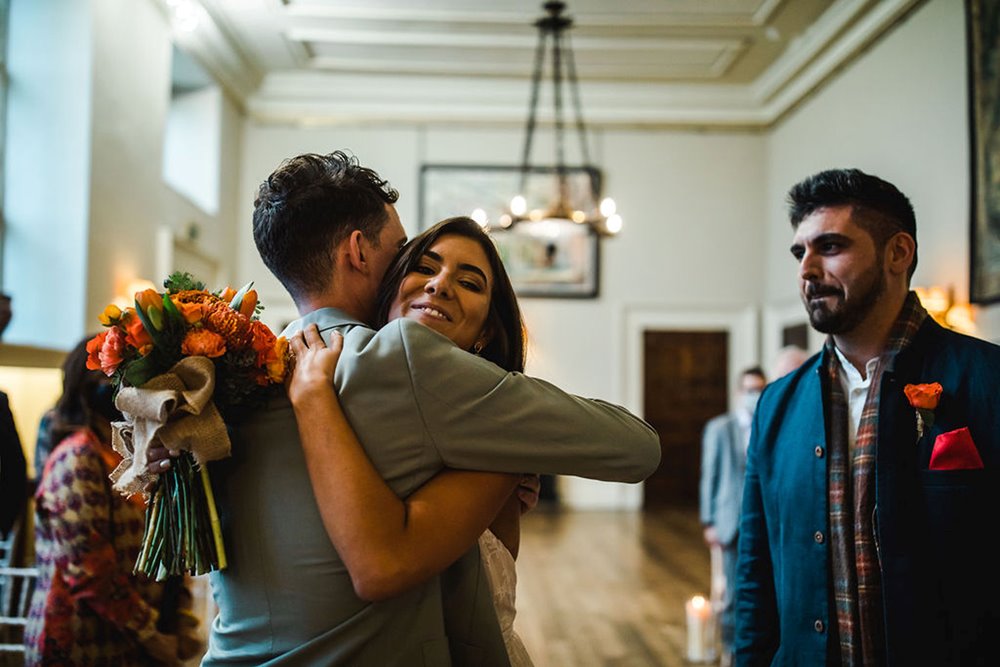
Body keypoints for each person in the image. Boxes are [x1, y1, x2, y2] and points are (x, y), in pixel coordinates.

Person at [163, 151, 660, 666]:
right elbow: (638, 448)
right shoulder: (402, 357)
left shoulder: (227, 378)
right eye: (405, 252)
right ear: (359, 250)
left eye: (469, 281)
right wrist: (512, 444)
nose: (434, 282)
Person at [733, 168, 1000, 666]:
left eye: (830, 247)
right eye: (800, 252)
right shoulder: (777, 404)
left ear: (898, 253)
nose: (806, 271)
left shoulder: (989, 380)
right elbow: (756, 576)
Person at [288, 216, 546, 665]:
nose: (440, 285)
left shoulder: (496, 438)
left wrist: (313, 398)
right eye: (425, 268)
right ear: (391, 291)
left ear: (486, 330)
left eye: (469, 281)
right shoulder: (323, 371)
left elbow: (383, 567)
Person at [23, 338, 201, 665]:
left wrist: (178, 615)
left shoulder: (127, 453)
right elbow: (89, 568)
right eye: (112, 380)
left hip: (127, 643)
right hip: (83, 643)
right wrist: (149, 633)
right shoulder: (78, 457)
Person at [699, 365, 766, 666]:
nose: (755, 395)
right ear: (739, 392)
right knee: (729, 591)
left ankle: (755, 646)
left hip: (761, 520)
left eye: (760, 390)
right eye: (750, 389)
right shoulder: (719, 428)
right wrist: (709, 520)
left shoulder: (767, 426)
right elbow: (708, 476)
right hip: (728, 522)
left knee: (758, 586)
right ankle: (729, 649)